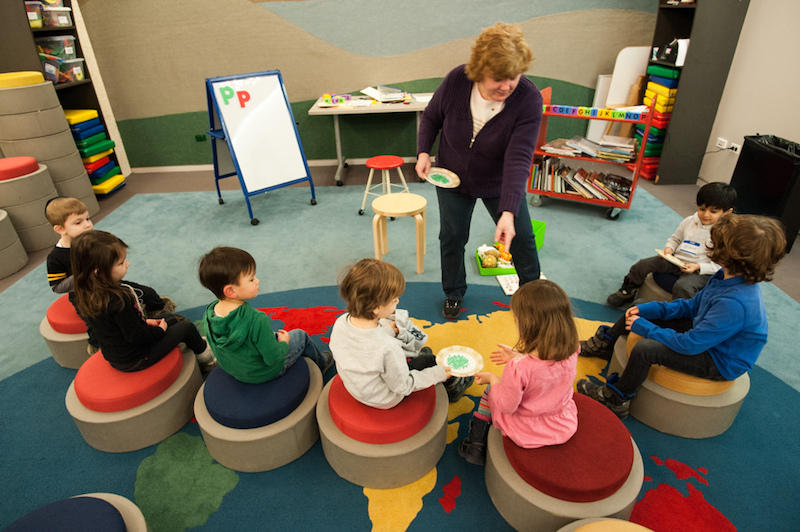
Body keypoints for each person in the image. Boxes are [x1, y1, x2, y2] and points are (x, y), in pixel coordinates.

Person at [578, 214, 787, 418]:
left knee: (645, 349)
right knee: (641, 306)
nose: (711, 245)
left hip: (719, 360)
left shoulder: (735, 303)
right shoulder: (723, 275)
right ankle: (606, 344)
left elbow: (691, 344)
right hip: (706, 335)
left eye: (717, 243)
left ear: (732, 255)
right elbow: (692, 306)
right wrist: (650, 310)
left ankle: (616, 399)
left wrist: (646, 328)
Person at [415, 22, 543, 319]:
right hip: (451, 177)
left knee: (521, 236)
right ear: (479, 70)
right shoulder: (457, 80)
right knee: (452, 236)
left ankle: (533, 300)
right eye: (498, 78)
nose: (507, 86)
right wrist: (423, 151)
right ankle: (454, 292)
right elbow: (432, 116)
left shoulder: (527, 99)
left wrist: (508, 211)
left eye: (513, 76)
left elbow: (519, 157)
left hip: (498, 181)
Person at [458, 279, 579, 465]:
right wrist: (518, 355)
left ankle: (476, 443)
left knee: (491, 391)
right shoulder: (572, 350)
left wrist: (492, 378)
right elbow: (544, 372)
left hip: (526, 428)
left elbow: (507, 405)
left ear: (527, 325)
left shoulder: (519, 368)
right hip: (560, 422)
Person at [329, 258, 473, 409]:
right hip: (385, 398)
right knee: (430, 361)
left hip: (358, 388)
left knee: (411, 357)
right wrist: (438, 374)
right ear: (376, 308)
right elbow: (403, 386)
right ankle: (454, 388)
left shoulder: (341, 322)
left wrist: (389, 331)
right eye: (393, 300)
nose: (397, 302)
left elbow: (362, 346)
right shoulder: (388, 348)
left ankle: (417, 363)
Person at [69, 230, 216, 372]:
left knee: (170, 319)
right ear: (98, 271)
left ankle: (195, 342)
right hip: (136, 358)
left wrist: (146, 323)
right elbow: (137, 337)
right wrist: (158, 331)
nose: (127, 264)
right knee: (186, 328)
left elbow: (118, 326)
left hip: (116, 352)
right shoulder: (119, 300)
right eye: (120, 263)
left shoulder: (83, 293)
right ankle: (207, 359)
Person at [198, 246, 331, 383]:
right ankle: (323, 363)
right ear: (231, 291)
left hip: (235, 370)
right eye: (251, 279)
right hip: (263, 372)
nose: (257, 280)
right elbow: (273, 359)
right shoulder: (257, 319)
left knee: (270, 335)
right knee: (300, 335)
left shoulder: (209, 314)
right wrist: (284, 343)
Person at [606, 182, 737, 307]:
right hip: (677, 261)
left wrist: (698, 266)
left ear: (727, 212)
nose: (706, 214)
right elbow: (675, 239)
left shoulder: (726, 233)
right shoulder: (690, 221)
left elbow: (721, 267)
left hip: (701, 272)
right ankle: (627, 291)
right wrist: (669, 249)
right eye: (702, 209)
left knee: (683, 287)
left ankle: (678, 314)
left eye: (713, 212)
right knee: (642, 265)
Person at [44, 197, 175, 318]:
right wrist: (84, 273)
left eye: (88, 219)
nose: (88, 225)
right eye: (78, 222)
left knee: (147, 293)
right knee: (104, 317)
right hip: (85, 296)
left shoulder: (93, 241)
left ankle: (159, 315)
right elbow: (57, 287)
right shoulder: (55, 258)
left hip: (109, 283)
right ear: (60, 229)